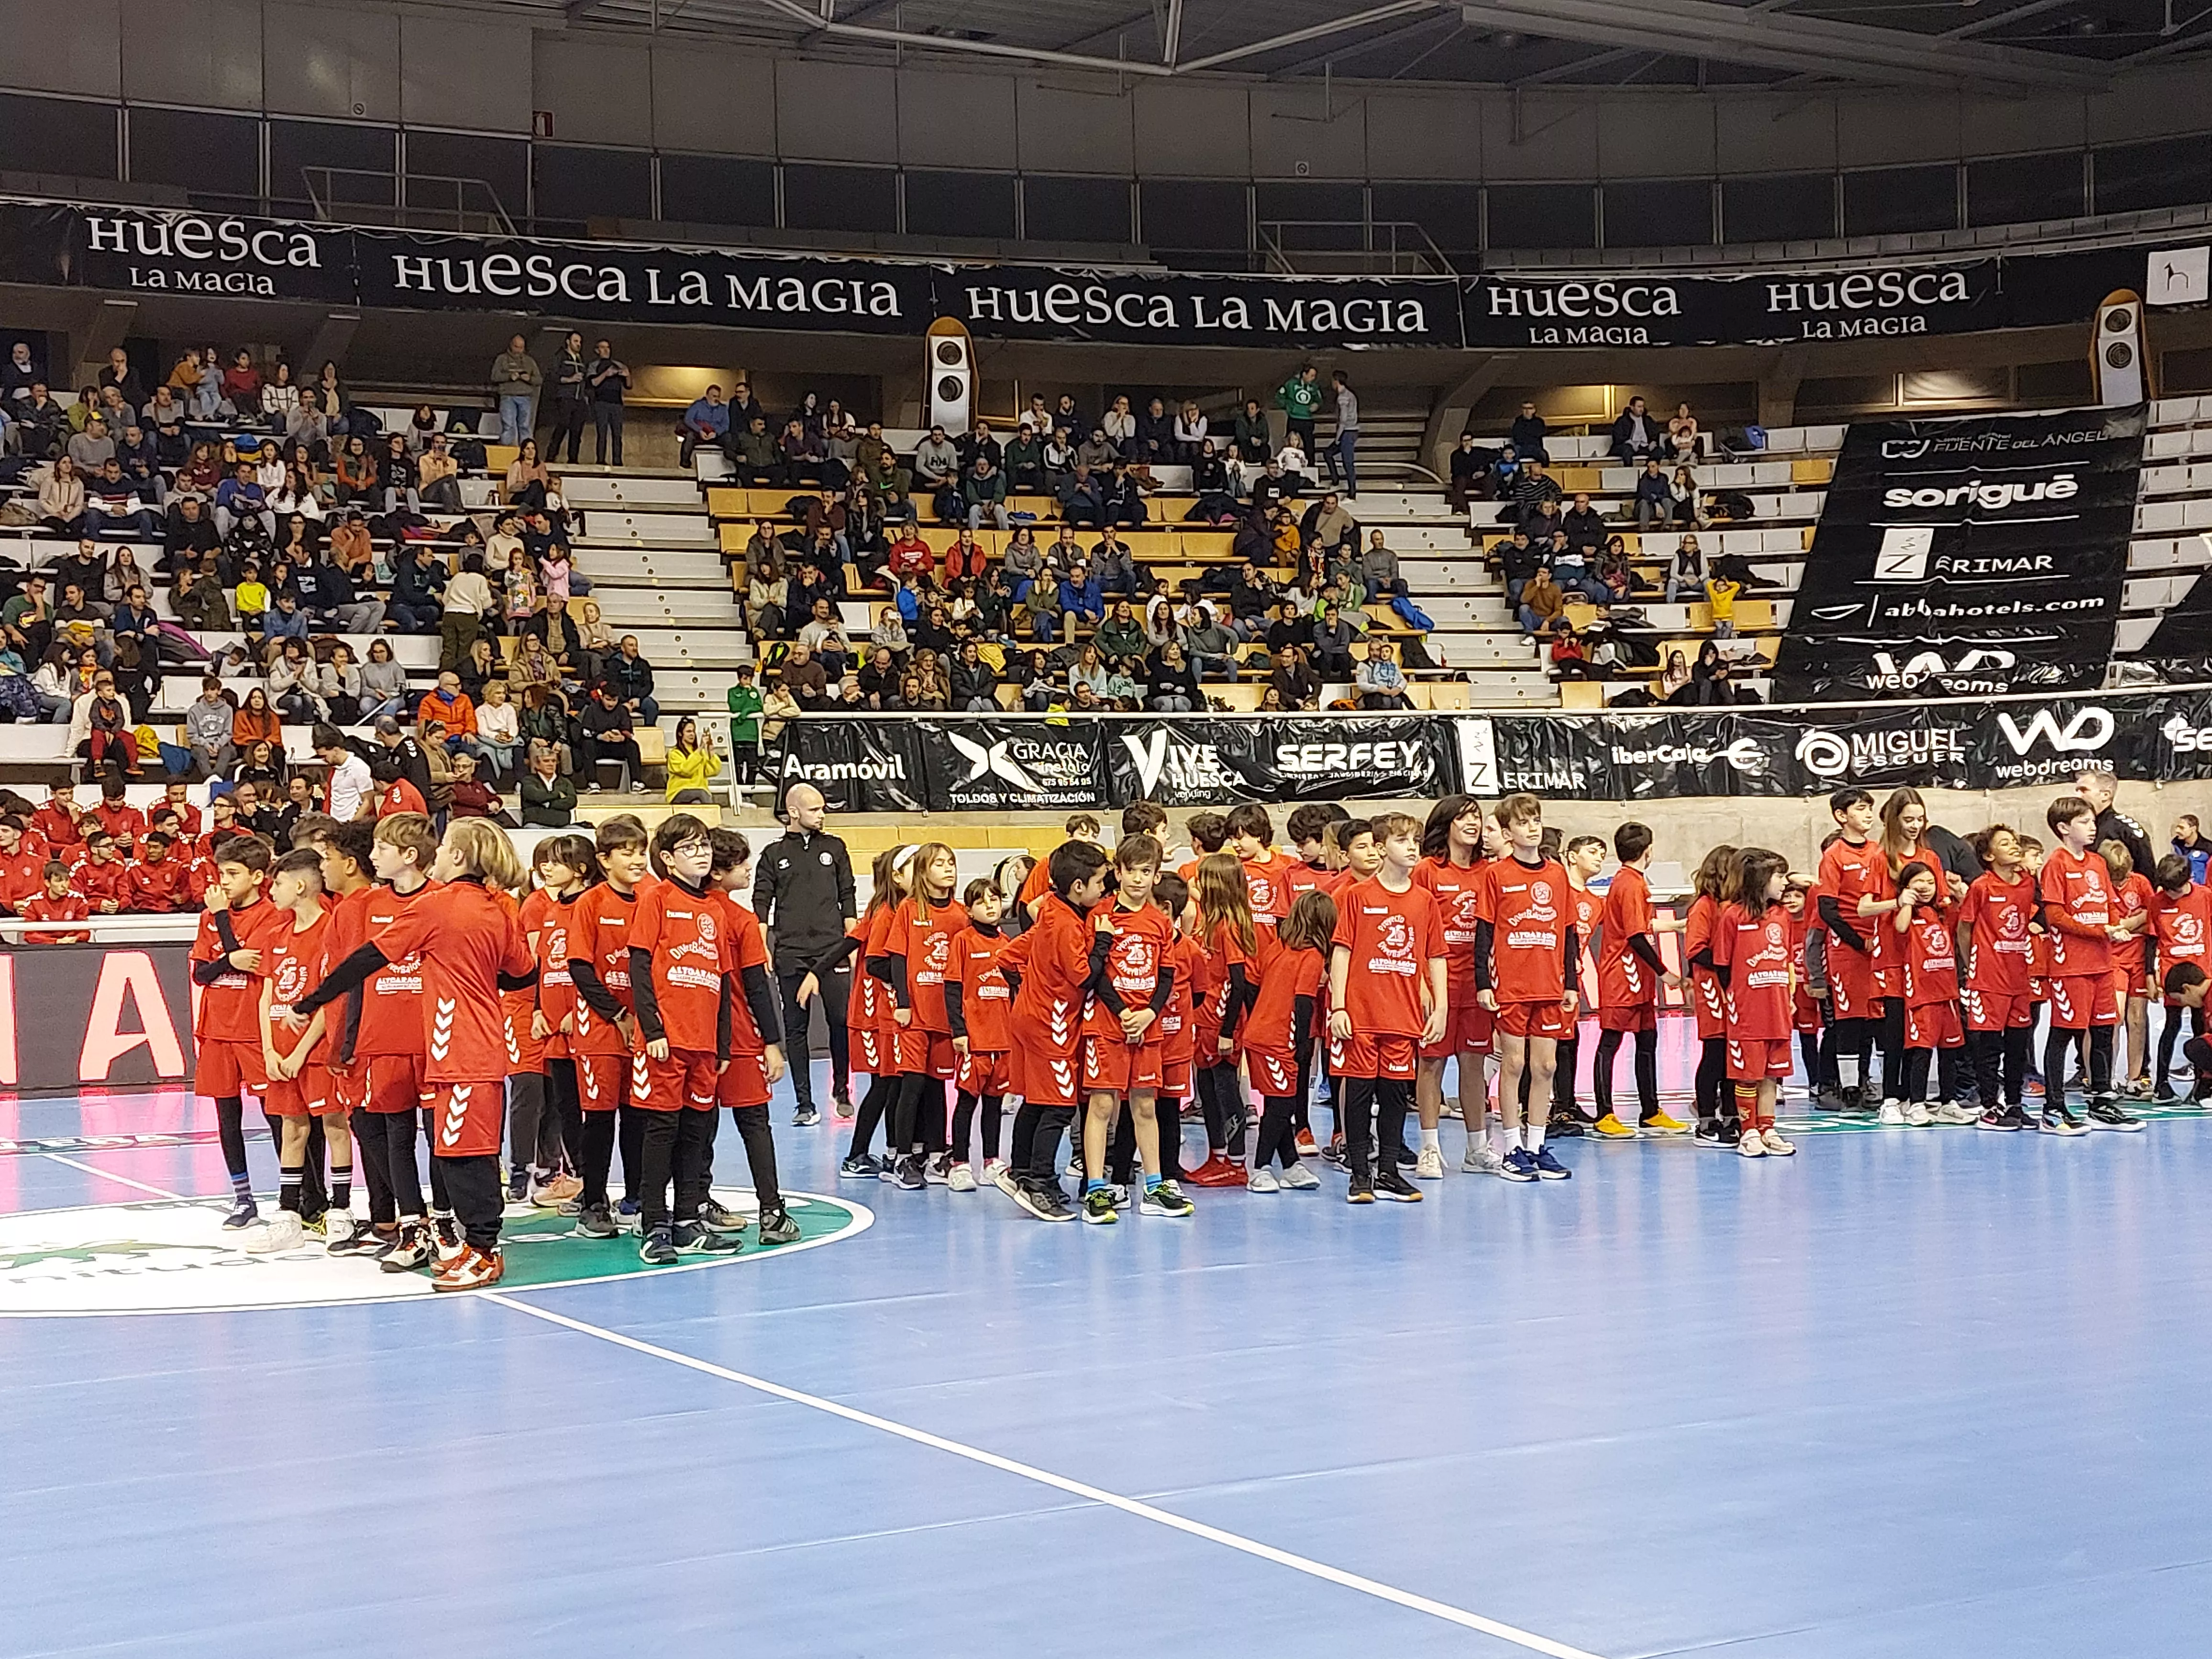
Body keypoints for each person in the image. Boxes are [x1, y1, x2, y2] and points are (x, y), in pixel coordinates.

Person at [289, 818, 531, 1291]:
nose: (435, 854)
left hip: (460, 1049)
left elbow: (368, 958)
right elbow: (523, 973)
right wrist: (474, 976)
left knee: (463, 1154)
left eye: (443, 848)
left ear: (457, 856)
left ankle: (484, 1251)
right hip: (479, 1046)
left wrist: (311, 1001)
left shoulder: (437, 905)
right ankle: (476, 1245)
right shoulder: (495, 908)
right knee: (465, 1150)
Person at [1328, 813, 1445, 1204]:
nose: (1412, 848)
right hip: (1361, 1016)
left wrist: (1441, 1008)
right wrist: (1339, 1007)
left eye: (1415, 841)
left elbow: (1436, 956)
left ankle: (1390, 1173)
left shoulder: (1424, 901)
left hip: (1403, 1016)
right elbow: (1342, 952)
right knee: (1359, 1094)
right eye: (1402, 841)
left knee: (1395, 1097)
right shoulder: (1358, 896)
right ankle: (1360, 1174)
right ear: (1381, 849)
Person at [994, 838, 1113, 1221]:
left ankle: (1021, 1170)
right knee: (1060, 1105)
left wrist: (1031, 987)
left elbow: (1007, 957)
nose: (1104, 890)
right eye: (1099, 883)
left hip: (1033, 1016)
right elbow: (1084, 977)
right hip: (1052, 1023)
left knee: (1038, 1099)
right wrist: (1103, 942)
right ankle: (1039, 1183)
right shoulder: (1065, 923)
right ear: (1078, 886)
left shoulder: (1053, 912)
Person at [250, 848, 355, 1252]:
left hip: (317, 1052)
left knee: (334, 1126)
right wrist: (270, 1050)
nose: (271, 890)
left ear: (299, 886)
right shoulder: (276, 934)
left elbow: (332, 999)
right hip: (282, 1053)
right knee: (292, 1130)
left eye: (277, 883)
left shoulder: (331, 929)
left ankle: (341, 1212)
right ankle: (289, 1216)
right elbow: (267, 996)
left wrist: (301, 1052)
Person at [190, 835, 284, 1230]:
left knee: (276, 1115)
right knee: (227, 1118)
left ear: (258, 877)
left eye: (232, 874)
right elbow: (202, 973)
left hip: (254, 1030)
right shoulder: (209, 917)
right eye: (221, 873)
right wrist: (228, 958)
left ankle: (294, 1198)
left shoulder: (271, 916)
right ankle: (243, 1199)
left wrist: (224, 935)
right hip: (217, 1030)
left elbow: (251, 963)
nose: (223, 881)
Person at [755, 783, 858, 1128]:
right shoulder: (773, 854)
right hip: (791, 952)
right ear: (794, 812)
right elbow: (761, 902)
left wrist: (852, 941)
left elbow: (847, 894)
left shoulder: (835, 847)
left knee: (840, 1021)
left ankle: (842, 1090)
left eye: (822, 809)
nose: (822, 815)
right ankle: (804, 1103)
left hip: (832, 949)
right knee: (795, 1028)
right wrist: (762, 945)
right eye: (815, 809)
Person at [2039, 796, 2138, 1133]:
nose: (2092, 827)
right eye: (2084, 822)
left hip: (2102, 964)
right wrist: (2099, 931)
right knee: (2064, 1034)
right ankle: (2053, 1109)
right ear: (2064, 828)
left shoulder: (2097, 862)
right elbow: (2055, 915)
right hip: (2071, 966)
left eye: (2093, 821)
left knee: (2104, 1031)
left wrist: (2115, 928)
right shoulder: (2057, 864)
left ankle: (2101, 1102)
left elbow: (2109, 906)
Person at [1592, 820, 1688, 1139]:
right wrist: (1665, 972)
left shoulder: (1630, 881)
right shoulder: (1630, 885)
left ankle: (1651, 1111)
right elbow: (1635, 936)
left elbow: (1639, 926)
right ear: (1649, 851)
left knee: (1647, 1040)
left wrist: (1675, 926)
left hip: (1638, 980)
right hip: (1622, 977)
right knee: (1611, 1042)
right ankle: (1605, 1114)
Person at [1714, 848, 1799, 1158]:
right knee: (1748, 1074)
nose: (1785, 883)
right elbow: (1722, 966)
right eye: (1780, 876)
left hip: (1778, 1010)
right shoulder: (1732, 916)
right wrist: (1738, 997)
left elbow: (1787, 960)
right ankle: (1748, 1132)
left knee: (1771, 1074)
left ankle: (1768, 1129)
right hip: (1748, 1012)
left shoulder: (1783, 916)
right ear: (1760, 879)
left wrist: (1789, 997)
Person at [944, 877, 1013, 1190]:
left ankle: (991, 1162)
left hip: (1003, 1040)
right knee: (967, 1102)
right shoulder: (963, 941)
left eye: (994, 899)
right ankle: (960, 1164)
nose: (990, 906)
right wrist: (959, 1031)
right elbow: (952, 988)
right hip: (975, 1040)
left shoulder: (1007, 943)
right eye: (982, 902)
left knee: (995, 1104)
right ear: (969, 910)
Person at [491, 335, 542, 448]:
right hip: (508, 396)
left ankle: (526, 451)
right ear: (511, 345)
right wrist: (509, 377)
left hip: (526, 397)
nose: (519, 350)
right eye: (516, 347)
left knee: (525, 426)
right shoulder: (502, 359)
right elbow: (494, 377)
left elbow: (539, 380)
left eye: (521, 348)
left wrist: (529, 379)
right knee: (509, 426)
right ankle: (506, 451)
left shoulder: (530, 361)